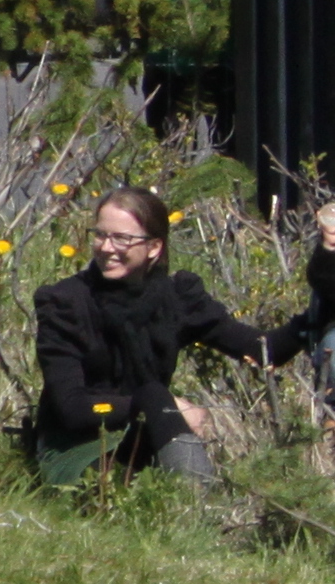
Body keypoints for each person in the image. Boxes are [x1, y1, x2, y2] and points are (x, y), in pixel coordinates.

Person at [25, 184, 334, 492]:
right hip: (75, 449)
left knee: (155, 401)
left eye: (122, 238)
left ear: (154, 247)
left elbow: (262, 350)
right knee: (155, 395)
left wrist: (322, 288)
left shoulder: (177, 298)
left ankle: (198, 514)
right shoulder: (65, 302)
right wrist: (156, 404)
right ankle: (202, 508)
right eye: (101, 235)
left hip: (141, 439)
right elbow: (70, 407)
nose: (106, 248)